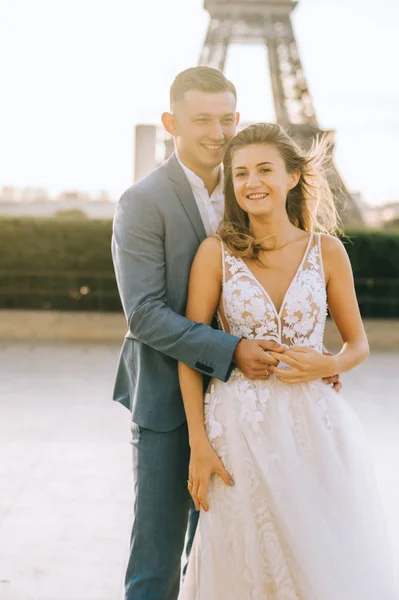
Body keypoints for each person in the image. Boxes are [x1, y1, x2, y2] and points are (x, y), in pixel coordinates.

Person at [112, 67, 311, 600]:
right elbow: (146, 315)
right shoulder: (142, 201)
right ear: (171, 122)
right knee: (156, 557)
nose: (217, 132)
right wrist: (232, 351)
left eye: (227, 119)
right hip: (166, 401)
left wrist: (314, 362)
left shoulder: (252, 185)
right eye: (202, 119)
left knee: (226, 554)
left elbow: (291, 278)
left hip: (246, 407)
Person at [178, 122, 395, 600]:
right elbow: (190, 350)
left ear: (292, 176)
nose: (252, 183)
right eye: (240, 174)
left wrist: (328, 365)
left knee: (317, 559)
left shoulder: (328, 251)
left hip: (314, 427)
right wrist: (199, 444)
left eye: (264, 170)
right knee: (243, 559)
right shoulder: (215, 253)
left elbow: (357, 344)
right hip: (235, 430)